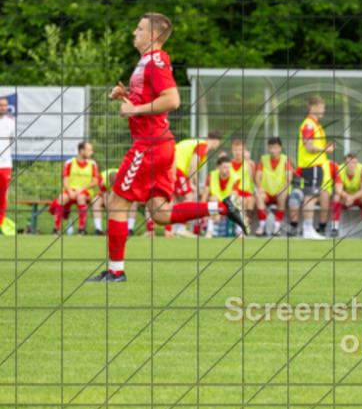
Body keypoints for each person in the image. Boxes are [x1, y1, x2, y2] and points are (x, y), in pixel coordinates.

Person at [85, 14, 248, 282]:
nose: (134, 33)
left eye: (139, 29)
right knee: (160, 213)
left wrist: (134, 107)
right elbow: (153, 102)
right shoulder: (146, 63)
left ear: (153, 36)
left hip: (149, 145)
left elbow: (172, 99)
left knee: (116, 200)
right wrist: (126, 96)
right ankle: (223, 207)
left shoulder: (156, 62)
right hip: (159, 144)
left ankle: (115, 271)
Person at [292, 96, 333, 240]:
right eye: (321, 107)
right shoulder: (309, 124)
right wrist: (325, 150)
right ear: (312, 107)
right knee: (310, 196)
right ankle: (308, 229)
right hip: (312, 164)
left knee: (313, 196)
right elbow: (309, 147)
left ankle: (308, 228)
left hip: (315, 165)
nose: (323, 110)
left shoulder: (315, 124)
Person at [169, 131, 222, 237]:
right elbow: (193, 166)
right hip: (177, 169)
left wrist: (194, 182)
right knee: (189, 196)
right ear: (216, 141)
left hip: (172, 167)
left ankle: (174, 229)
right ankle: (181, 228)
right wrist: (192, 183)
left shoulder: (199, 143)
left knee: (178, 200)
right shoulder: (203, 146)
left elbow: (194, 168)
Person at [54, 141, 102, 235]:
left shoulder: (92, 164)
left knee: (80, 197)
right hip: (70, 191)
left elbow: (95, 182)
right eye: (89, 150)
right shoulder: (69, 163)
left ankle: (81, 229)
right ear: (81, 150)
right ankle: (56, 229)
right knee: (62, 197)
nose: (91, 152)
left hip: (85, 192)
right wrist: (70, 191)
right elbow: (65, 181)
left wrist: (82, 189)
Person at [255, 137, 292, 237]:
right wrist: (260, 188)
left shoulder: (286, 160)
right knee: (258, 196)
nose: (273, 150)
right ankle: (261, 226)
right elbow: (257, 176)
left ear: (280, 148)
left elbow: (289, 178)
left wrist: (282, 190)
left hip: (280, 191)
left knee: (282, 196)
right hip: (266, 192)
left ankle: (277, 226)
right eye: (270, 148)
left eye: (275, 147)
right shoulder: (263, 159)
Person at [331, 153, 362, 238]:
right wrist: (347, 197)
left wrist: (352, 198)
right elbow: (338, 189)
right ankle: (334, 228)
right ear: (344, 163)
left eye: (354, 162)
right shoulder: (339, 169)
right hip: (346, 197)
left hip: (358, 197)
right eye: (349, 162)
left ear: (357, 163)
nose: (352, 165)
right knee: (336, 197)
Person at [201, 155, 239, 237]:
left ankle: (239, 230)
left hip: (228, 205)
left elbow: (234, 196)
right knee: (213, 199)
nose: (227, 170)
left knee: (239, 199)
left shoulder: (235, 178)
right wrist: (201, 212)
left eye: (229, 167)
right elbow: (205, 194)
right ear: (218, 167)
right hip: (215, 205)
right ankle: (210, 230)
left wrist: (220, 211)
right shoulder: (211, 176)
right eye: (225, 167)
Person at [0, 97, 14, 235]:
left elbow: (11, 140)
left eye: (5, 105)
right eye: (0, 105)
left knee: (3, 196)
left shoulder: (11, 123)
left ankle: (0, 224)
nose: (3, 108)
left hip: (5, 165)